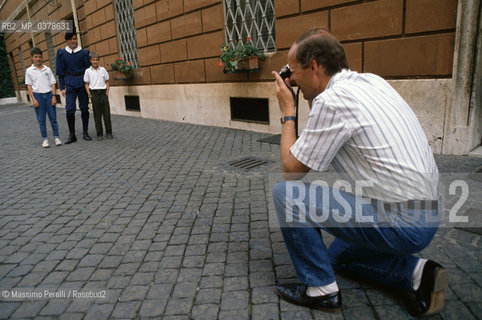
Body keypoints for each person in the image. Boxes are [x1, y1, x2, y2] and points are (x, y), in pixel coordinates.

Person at [271, 28, 448, 316]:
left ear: (313, 66)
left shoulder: (332, 102)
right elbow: (322, 112)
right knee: (338, 256)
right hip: (429, 211)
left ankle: (321, 290)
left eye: (294, 71)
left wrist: (288, 111)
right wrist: (306, 92)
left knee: (286, 194)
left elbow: (291, 171)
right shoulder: (371, 82)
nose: (293, 79)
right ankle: (419, 273)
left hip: (403, 222)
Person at [56, 30, 91, 143]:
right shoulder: (61, 53)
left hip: (82, 81)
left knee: (84, 108)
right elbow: (60, 72)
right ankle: (72, 135)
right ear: (67, 40)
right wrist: (62, 87)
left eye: (75, 38)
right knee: (70, 109)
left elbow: (89, 71)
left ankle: (85, 132)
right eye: (71, 39)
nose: (73, 41)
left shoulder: (84, 53)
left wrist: (89, 86)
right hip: (70, 83)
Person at [25, 47, 61, 148]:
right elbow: (29, 86)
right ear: (32, 58)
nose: (38, 59)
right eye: (36, 57)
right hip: (38, 96)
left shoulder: (47, 69)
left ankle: (56, 137)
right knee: (41, 120)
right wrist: (33, 99)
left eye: (40, 57)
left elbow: (53, 83)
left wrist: (54, 96)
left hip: (49, 94)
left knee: (53, 118)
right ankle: (45, 139)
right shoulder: (29, 71)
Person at [84, 52, 113, 140]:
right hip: (94, 93)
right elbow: (86, 84)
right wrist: (89, 94)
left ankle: (109, 132)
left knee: (106, 114)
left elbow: (107, 81)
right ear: (90, 61)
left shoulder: (103, 70)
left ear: (99, 60)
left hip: (103, 93)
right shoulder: (88, 71)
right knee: (97, 115)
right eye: (93, 60)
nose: (95, 62)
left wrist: (107, 91)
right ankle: (99, 133)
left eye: (96, 60)